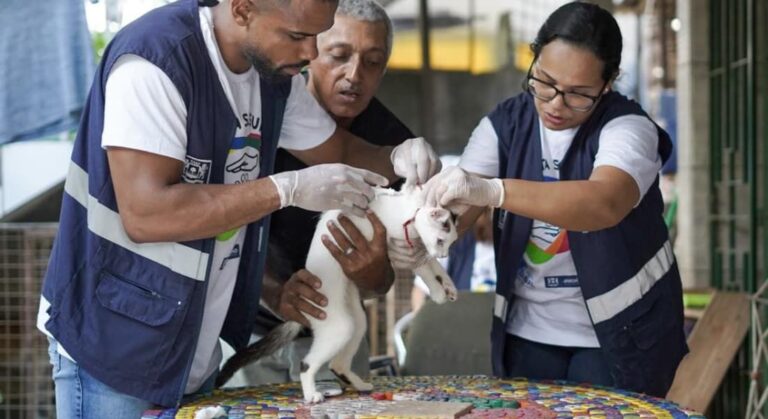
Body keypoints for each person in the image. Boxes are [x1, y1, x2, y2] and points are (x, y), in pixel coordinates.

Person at [36, 0, 439, 416]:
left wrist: (396, 157)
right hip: (114, 343)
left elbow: (336, 149)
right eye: (298, 36)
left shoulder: (270, 74)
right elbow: (146, 214)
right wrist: (287, 188)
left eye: (317, 35)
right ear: (243, 8)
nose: (311, 54)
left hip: (192, 342)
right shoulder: (156, 60)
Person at [423, 2, 687, 397]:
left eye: (579, 93)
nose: (555, 104)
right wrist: (428, 223)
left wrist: (497, 191)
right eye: (544, 82)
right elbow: (459, 207)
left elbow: (604, 203)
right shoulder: (505, 124)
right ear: (534, 58)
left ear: (608, 82)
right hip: (528, 332)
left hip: (622, 334)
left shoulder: (628, 127)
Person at [228, 0, 418, 386]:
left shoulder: (393, 148)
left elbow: (383, 281)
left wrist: (373, 273)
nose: (353, 75)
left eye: (372, 61)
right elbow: (226, 223)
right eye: (339, 55)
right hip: (249, 329)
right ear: (311, 52)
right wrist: (276, 291)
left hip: (339, 335)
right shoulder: (263, 115)